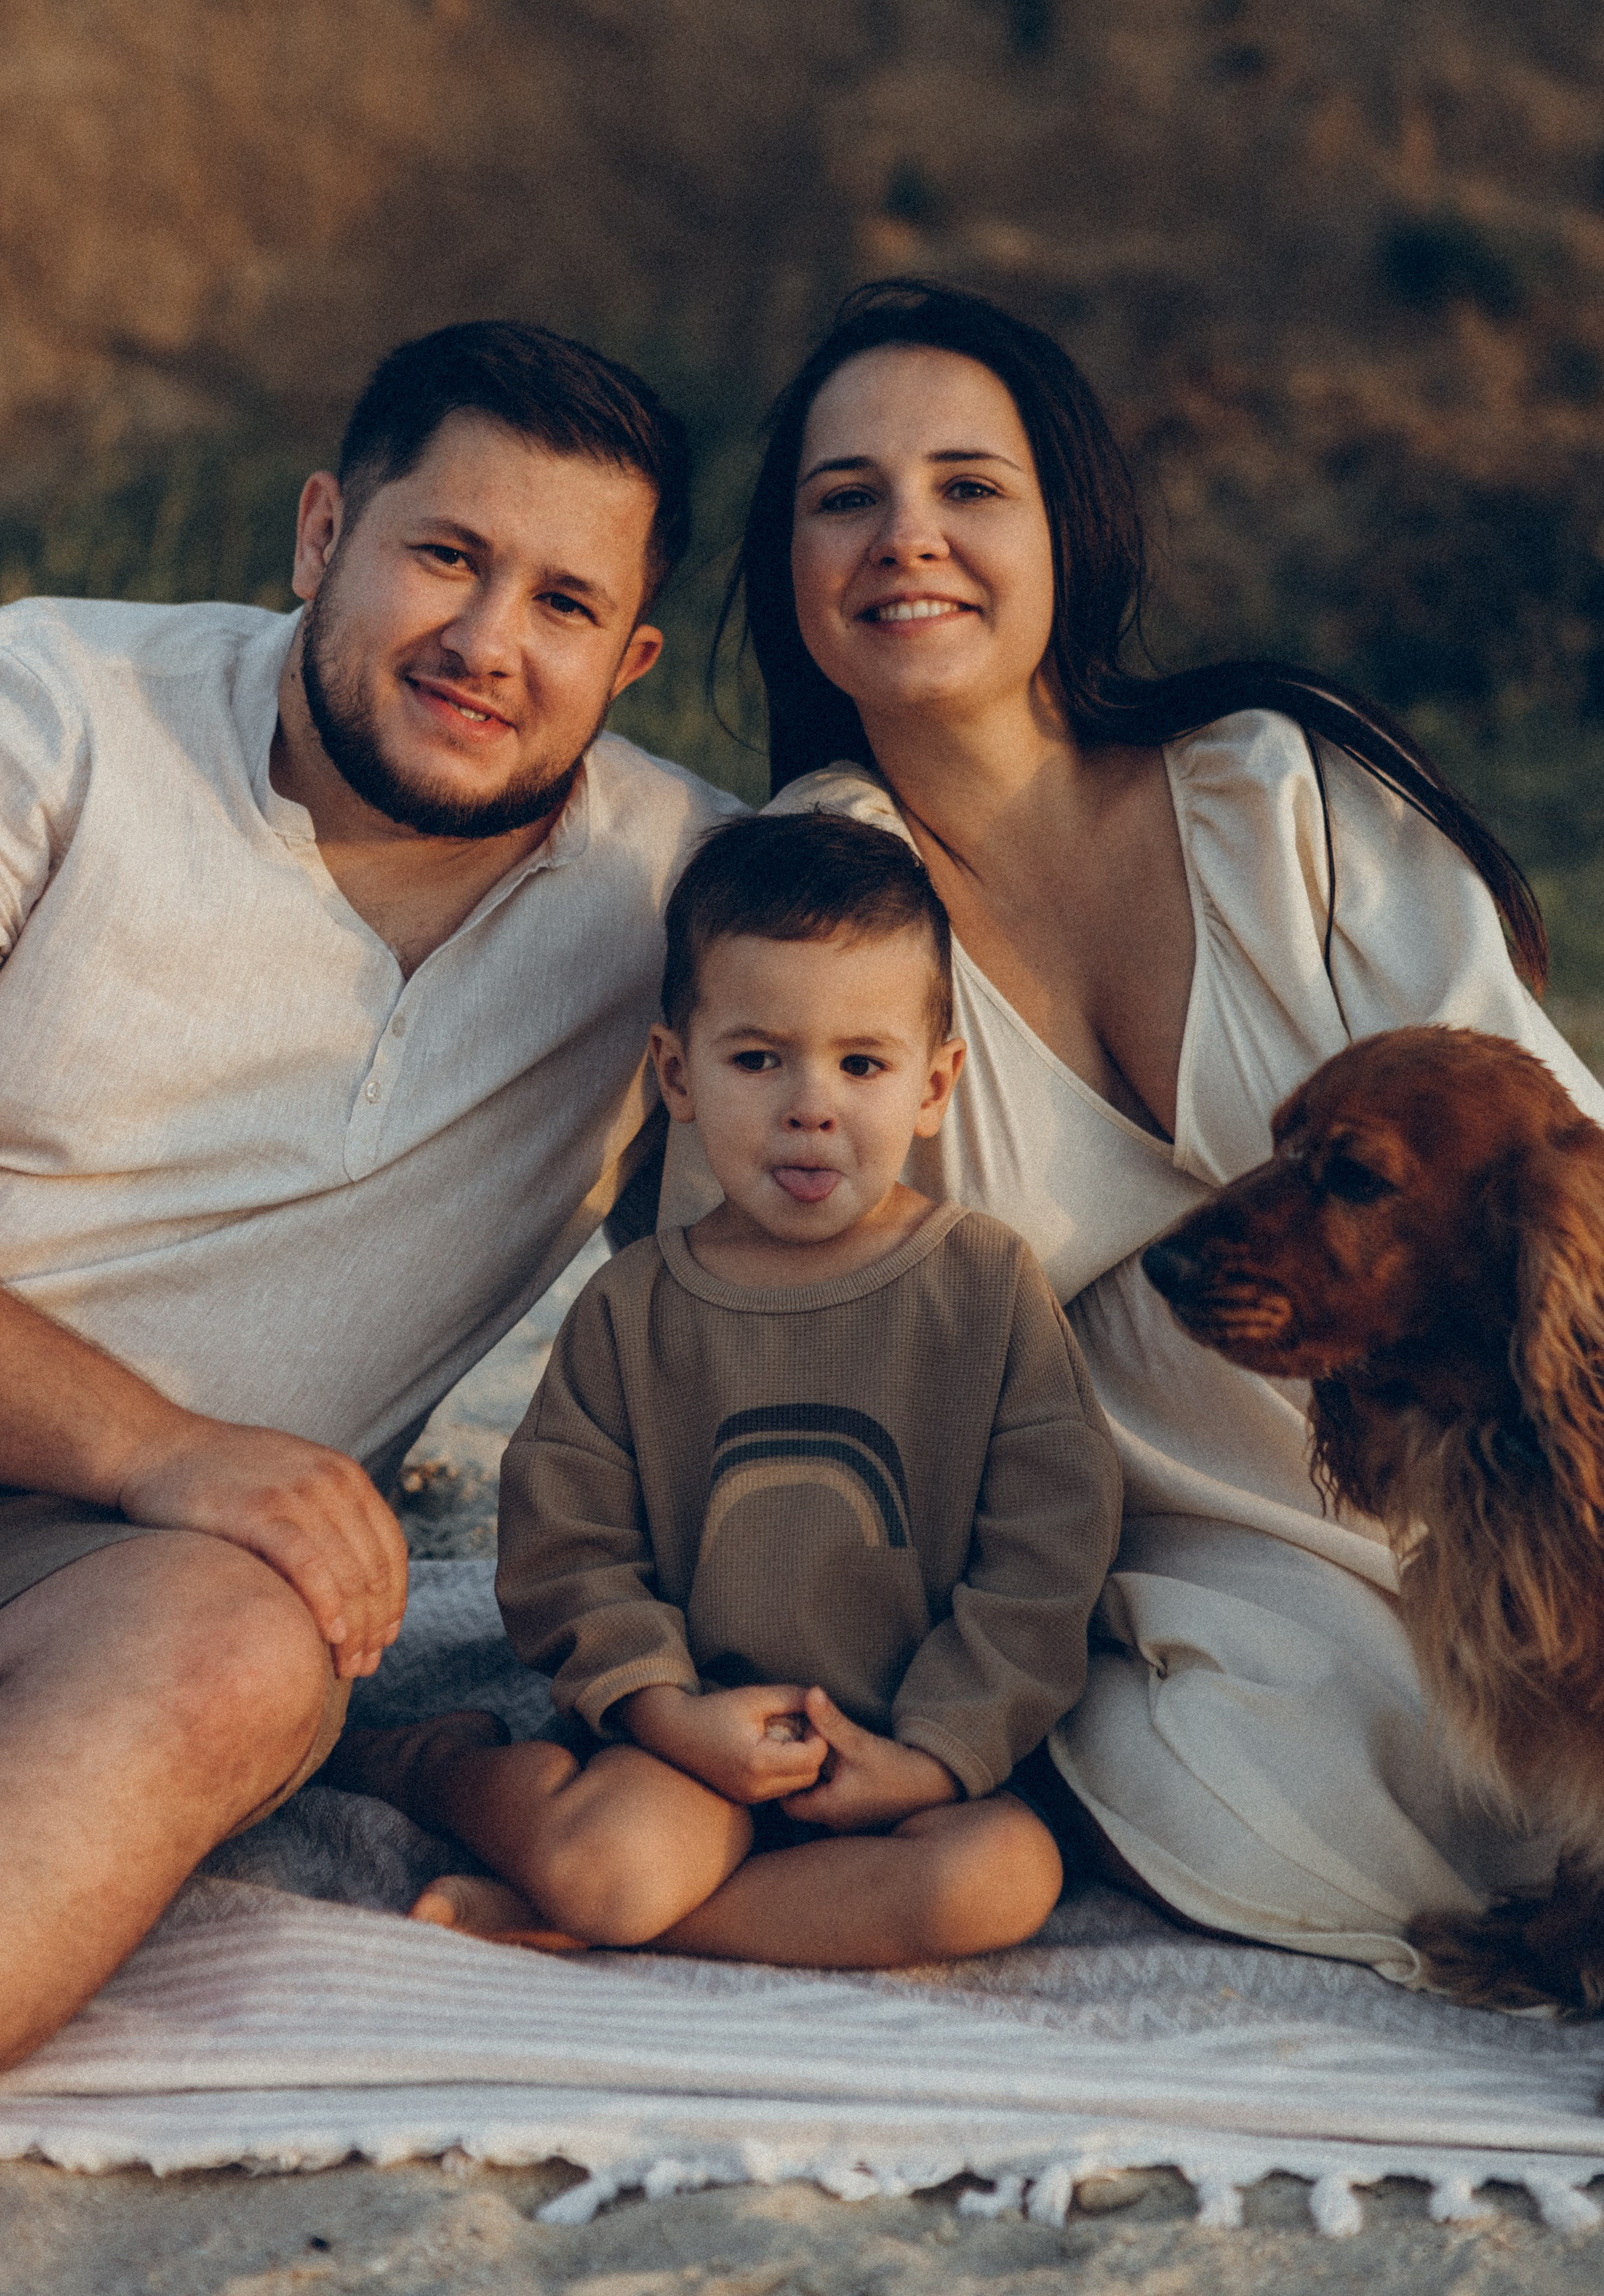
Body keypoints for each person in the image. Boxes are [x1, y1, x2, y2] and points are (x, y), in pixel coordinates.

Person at [678, 276, 1604, 1987]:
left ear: (1067, 532)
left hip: (1521, 1484)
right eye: (845, 498)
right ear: (784, 569)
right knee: (1364, 1776)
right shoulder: (800, 913)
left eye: (969, 487)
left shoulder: (1278, 792)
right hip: (1189, 1576)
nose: (908, 538)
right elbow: (764, 1330)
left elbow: (1561, 1146)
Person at [0, 319, 742, 2066]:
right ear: (324, 536)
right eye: (447, 555)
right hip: (153, 1482)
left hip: (122, 1577)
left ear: (630, 657)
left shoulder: (679, 903)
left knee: (252, 1657)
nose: (488, 644)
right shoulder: (59, 710)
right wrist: (157, 1445)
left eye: (564, 604)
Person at [333, 812, 1123, 1965]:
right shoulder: (638, 1307)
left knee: (1004, 1878)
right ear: (678, 1073)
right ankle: (441, 1768)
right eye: (759, 1059)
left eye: (863, 1063)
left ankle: (597, 1925)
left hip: (896, 1759)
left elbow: (1047, 1555)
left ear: (935, 1083)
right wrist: (669, 1714)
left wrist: (939, 1751)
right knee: (611, 1864)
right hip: (685, 1752)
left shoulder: (985, 1290)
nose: (812, 1105)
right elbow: (567, 1549)